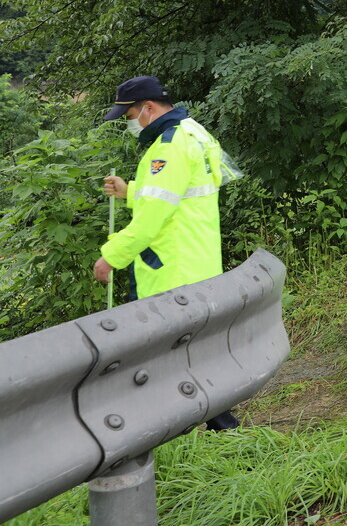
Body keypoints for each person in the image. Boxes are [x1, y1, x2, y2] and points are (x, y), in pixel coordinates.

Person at [96, 75, 241, 430]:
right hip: (198, 258)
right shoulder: (195, 132)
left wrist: (112, 256)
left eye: (129, 114)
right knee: (190, 351)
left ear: (147, 108)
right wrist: (130, 191)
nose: (129, 122)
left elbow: (151, 220)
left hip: (169, 267)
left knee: (169, 353)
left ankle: (210, 426)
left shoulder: (168, 145)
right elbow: (180, 195)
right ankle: (219, 426)